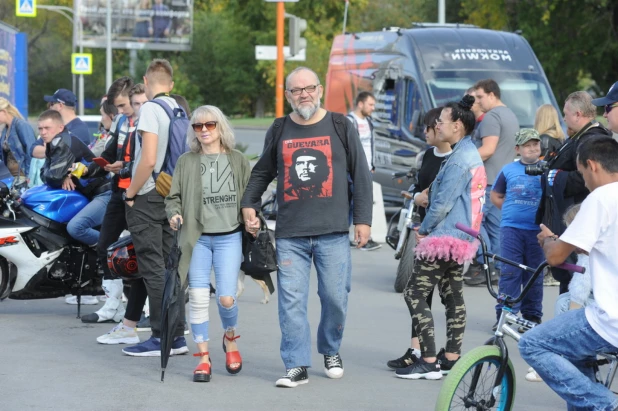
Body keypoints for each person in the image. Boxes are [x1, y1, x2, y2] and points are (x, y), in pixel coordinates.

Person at [240, 67, 373, 388]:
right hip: (291, 233)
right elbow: (261, 172)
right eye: (296, 90)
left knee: (335, 297)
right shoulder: (280, 128)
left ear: (319, 90)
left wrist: (363, 220)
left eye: (309, 88)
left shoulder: (341, 125)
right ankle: (296, 363)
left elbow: (362, 173)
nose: (304, 94)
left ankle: (330, 349)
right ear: (288, 96)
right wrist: (249, 203)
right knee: (291, 301)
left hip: (333, 232)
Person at [519, 136, 618, 411]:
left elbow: (555, 256)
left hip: (610, 321)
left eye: (581, 172)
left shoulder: (601, 198)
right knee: (573, 350)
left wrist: (548, 240)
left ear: (592, 165)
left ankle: (604, 404)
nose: (583, 180)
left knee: (532, 344)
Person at [395, 95, 486, 380]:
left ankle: (429, 359)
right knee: (453, 295)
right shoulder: (470, 153)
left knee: (413, 293)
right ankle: (450, 358)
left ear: (457, 125)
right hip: (463, 238)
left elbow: (442, 204)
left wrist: (424, 230)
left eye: (441, 121)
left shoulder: (459, 159)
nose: (438, 125)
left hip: (445, 239)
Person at [165, 105, 250, 382]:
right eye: (197, 126)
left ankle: (230, 339)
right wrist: (174, 214)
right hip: (197, 238)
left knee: (226, 298)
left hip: (229, 236)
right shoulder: (186, 162)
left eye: (209, 125)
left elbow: (251, 197)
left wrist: (253, 218)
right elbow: (173, 197)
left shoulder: (237, 160)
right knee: (199, 298)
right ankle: (202, 357)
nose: (203, 130)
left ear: (220, 127)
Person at [119, 59, 188, 357]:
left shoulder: (149, 109)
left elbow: (147, 160)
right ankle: (179, 337)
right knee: (171, 267)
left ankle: (162, 337)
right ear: (171, 84)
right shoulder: (180, 108)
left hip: (148, 195)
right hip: (171, 194)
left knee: (153, 268)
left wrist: (130, 194)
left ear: (146, 82)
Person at [387, 107, 453, 370]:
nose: (423, 133)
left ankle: (448, 354)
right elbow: (417, 187)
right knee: (420, 294)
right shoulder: (426, 155)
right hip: (424, 232)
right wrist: (417, 197)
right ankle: (417, 351)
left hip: (447, 237)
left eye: (426, 128)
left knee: (449, 297)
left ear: (439, 128)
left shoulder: (457, 158)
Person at [535, 91, 612, 294]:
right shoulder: (578, 137)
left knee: (572, 283)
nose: (564, 118)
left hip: (575, 219)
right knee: (567, 282)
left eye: (566, 113)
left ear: (578, 114)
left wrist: (553, 175)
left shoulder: (592, 139)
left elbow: (583, 179)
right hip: (567, 218)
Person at [83, 77, 137, 325]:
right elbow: (108, 153)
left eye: (124, 106)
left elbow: (148, 159)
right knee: (105, 245)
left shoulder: (147, 118)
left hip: (139, 194)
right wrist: (86, 169)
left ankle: (144, 309)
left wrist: (124, 167)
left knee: (142, 253)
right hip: (118, 191)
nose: (121, 111)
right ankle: (112, 305)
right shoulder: (121, 120)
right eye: (117, 107)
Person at [465, 79, 519, 286]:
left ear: (492, 95)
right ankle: (497, 269)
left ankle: (482, 264)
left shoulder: (492, 117)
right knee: (496, 228)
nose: (477, 102)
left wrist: (461, 160)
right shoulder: (510, 114)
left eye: (480, 97)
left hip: (486, 182)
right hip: (502, 181)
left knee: (473, 223)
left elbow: (487, 149)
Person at [490, 129, 545, 331]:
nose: (532, 148)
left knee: (533, 274)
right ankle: (506, 314)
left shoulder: (546, 170)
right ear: (518, 149)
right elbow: (495, 195)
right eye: (527, 145)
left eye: (535, 144)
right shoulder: (508, 170)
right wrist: (510, 212)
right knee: (509, 272)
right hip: (511, 229)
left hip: (536, 231)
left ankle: (532, 316)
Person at [347, 91, 381, 251]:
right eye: (370, 104)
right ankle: (350, 238)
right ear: (360, 104)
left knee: (364, 203)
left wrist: (372, 164)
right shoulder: (348, 121)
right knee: (351, 203)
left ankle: (363, 238)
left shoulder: (369, 122)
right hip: (352, 170)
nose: (373, 108)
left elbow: (371, 145)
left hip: (367, 169)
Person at [0, 97, 36, 179]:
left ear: (4, 111)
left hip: (23, 176)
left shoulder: (21, 125)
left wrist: (29, 177)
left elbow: (31, 152)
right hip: (10, 177)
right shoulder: (5, 130)